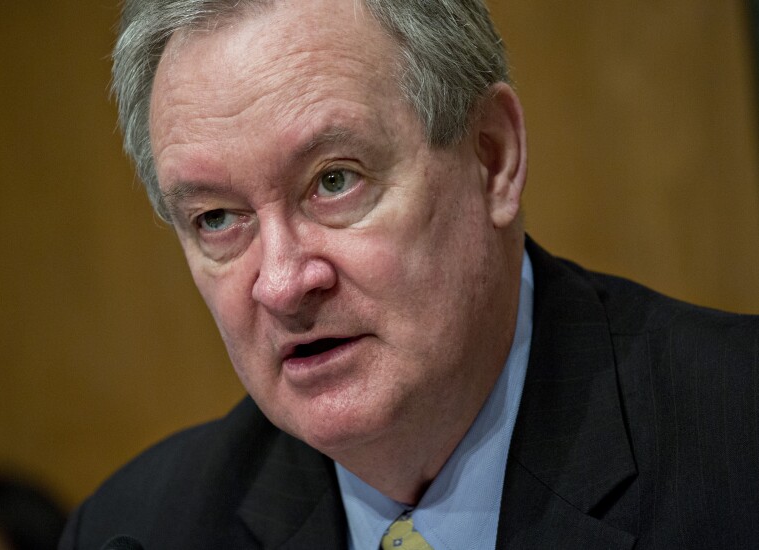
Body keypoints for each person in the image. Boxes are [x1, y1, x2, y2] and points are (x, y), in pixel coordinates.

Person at [61, 0, 759, 548]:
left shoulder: (736, 438)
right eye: (217, 219)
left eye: (333, 180)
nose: (280, 283)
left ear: (491, 157)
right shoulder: (141, 527)